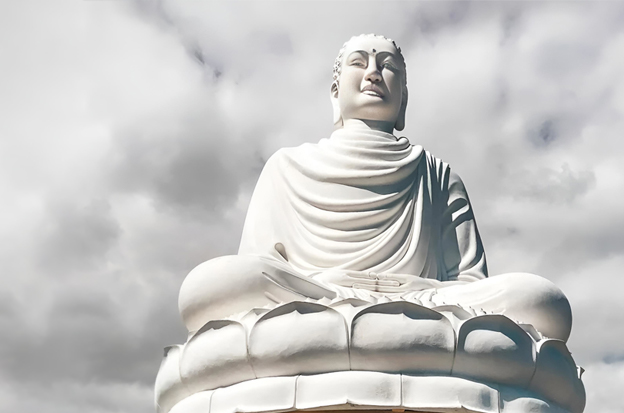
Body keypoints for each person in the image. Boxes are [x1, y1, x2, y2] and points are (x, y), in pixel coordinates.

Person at [179, 33, 572, 343]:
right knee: (214, 287)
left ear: (403, 97)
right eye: (359, 63)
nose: (372, 73)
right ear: (336, 92)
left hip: (421, 305)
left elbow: (469, 282)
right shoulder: (286, 166)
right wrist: (327, 290)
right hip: (314, 297)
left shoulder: (436, 174)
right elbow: (260, 264)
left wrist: (417, 296)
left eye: (387, 67)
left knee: (540, 302)